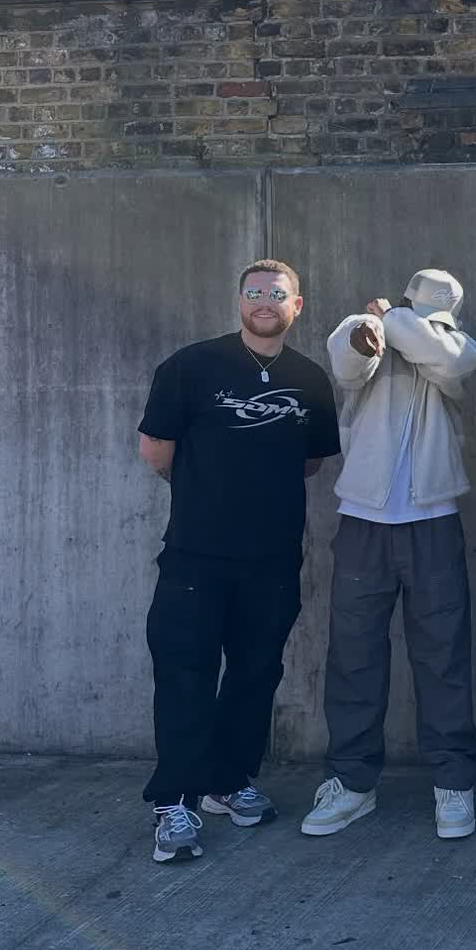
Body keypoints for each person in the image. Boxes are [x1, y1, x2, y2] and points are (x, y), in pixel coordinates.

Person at [137, 259, 340, 864]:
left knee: (256, 675)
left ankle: (228, 780)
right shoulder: (191, 366)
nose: (264, 301)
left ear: (296, 306)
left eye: (277, 293)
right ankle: (175, 801)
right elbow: (155, 451)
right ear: (240, 300)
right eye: (254, 292)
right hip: (195, 557)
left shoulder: (309, 378)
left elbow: (311, 461)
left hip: (272, 560)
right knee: (186, 677)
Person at [301, 269, 476, 843]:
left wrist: (395, 317)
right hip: (364, 520)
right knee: (353, 655)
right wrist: (369, 327)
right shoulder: (369, 329)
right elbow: (345, 363)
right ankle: (352, 783)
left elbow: (449, 360)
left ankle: (453, 782)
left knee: (443, 654)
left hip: (433, 521)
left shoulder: (457, 346)